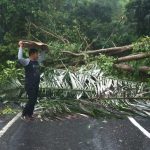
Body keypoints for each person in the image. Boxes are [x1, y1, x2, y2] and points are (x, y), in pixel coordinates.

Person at [18, 41, 46, 121]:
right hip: (29, 84)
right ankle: (25, 114)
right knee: (31, 100)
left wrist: (43, 49)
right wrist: (21, 46)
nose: (38, 55)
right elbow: (20, 58)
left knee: (33, 100)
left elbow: (43, 58)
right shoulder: (27, 61)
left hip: (36, 84)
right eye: (37, 53)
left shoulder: (37, 61)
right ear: (32, 54)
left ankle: (29, 114)